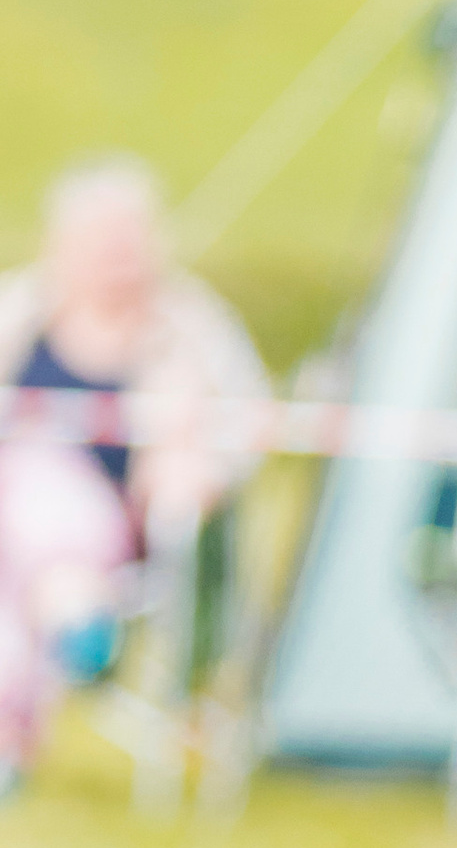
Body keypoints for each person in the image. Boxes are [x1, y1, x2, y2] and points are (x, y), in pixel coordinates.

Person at [0, 158, 266, 791]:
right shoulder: (19, 312)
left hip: (125, 526)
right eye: (100, 244)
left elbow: (249, 425)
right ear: (62, 248)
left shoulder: (192, 327)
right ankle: (73, 625)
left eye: (127, 243)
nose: (115, 258)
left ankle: (75, 614)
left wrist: (197, 468)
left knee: (41, 477)